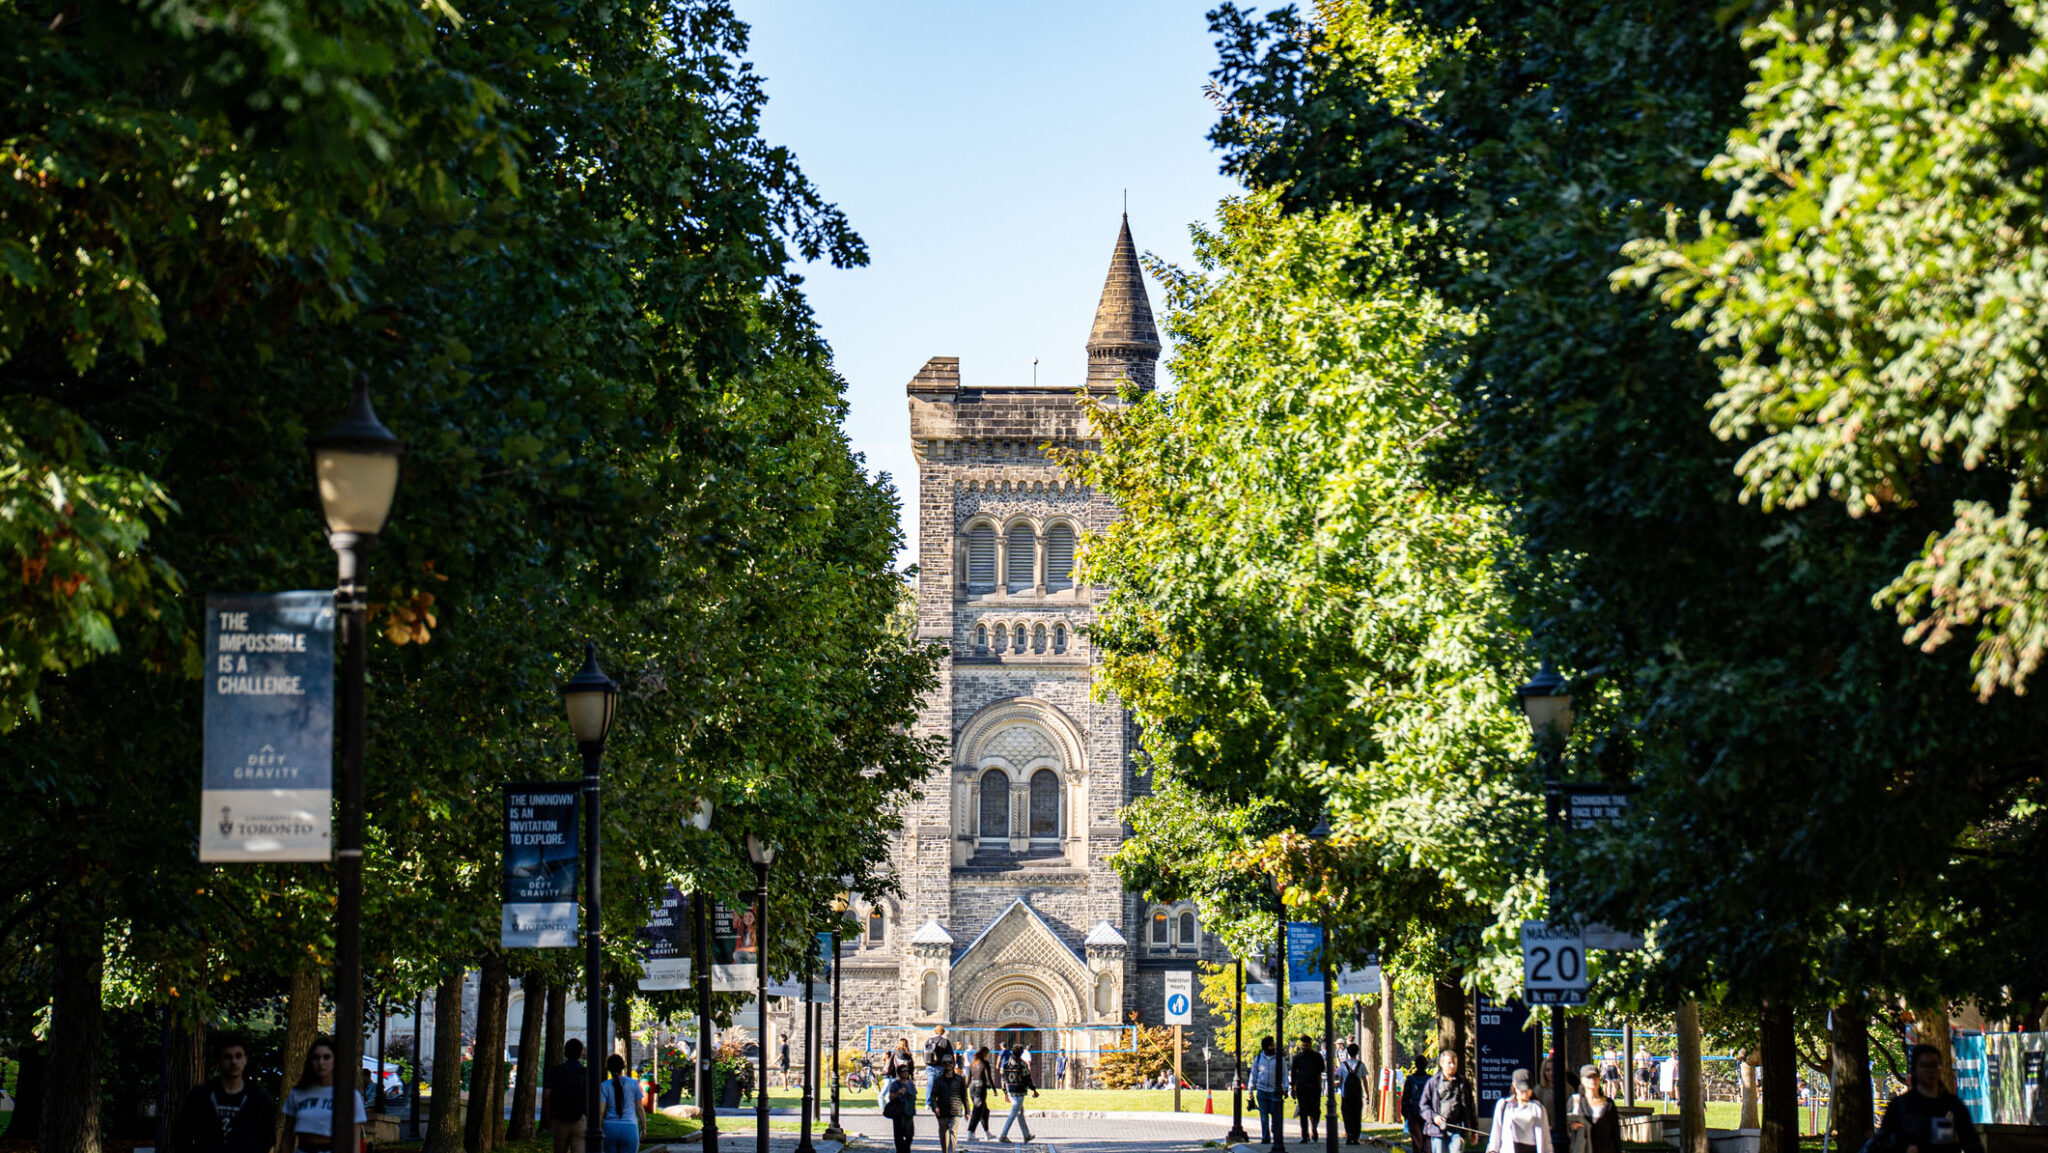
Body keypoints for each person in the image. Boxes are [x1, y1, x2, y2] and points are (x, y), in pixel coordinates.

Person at [175, 1033, 277, 1153]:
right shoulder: (200, 1096)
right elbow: (182, 1134)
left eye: (238, 1056)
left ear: (245, 1059)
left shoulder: (259, 1098)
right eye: (228, 1057)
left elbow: (267, 1139)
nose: (234, 1061)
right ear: (218, 1061)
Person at [1878, 1044, 1983, 1153]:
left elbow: (1972, 1144)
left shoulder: (1953, 1106)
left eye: (1934, 1065)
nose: (1930, 1071)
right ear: (1915, 1070)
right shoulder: (1900, 1106)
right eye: (1924, 1066)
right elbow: (1881, 1143)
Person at [279, 1038, 368, 1153]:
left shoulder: (350, 1096)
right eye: (316, 1058)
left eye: (326, 1057)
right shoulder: (298, 1093)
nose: (321, 1062)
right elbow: (288, 1135)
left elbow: (354, 1139)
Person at [1421, 1048, 1476, 1153]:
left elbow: (1471, 1107)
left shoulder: (1463, 1083)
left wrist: (1474, 1130)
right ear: (1442, 1063)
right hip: (1438, 1130)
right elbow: (1423, 1106)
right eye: (1449, 1063)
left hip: (1457, 1130)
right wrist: (1434, 1117)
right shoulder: (1433, 1083)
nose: (1452, 1066)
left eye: (1454, 1063)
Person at [1486, 1069, 1553, 1153]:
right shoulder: (1503, 1105)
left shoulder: (1538, 1108)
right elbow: (1496, 1132)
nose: (1525, 1093)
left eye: (1528, 1090)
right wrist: (1493, 1150)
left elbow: (1546, 1138)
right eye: (1522, 1090)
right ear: (1514, 1086)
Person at [543, 1038, 589, 1153]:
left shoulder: (556, 1071)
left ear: (565, 1052)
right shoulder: (586, 1073)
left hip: (560, 1119)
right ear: (581, 1053)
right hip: (580, 1118)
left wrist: (549, 1119)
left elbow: (547, 1095)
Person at [1569, 1063, 1622, 1153]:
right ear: (1582, 1080)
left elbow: (1615, 1133)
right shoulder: (1575, 1101)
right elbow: (1566, 1126)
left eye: (1595, 1076)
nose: (1593, 1080)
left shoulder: (1609, 1104)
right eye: (1589, 1077)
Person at [598, 1053, 643, 1153]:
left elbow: (601, 1111)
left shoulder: (604, 1086)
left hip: (610, 1127)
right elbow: (639, 1108)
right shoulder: (634, 1083)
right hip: (630, 1127)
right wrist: (644, 1128)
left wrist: (599, 1128)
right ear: (623, 1066)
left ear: (608, 1068)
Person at [998, 1043, 1038, 1144]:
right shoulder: (1022, 1064)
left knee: (1020, 1114)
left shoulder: (1006, 1063)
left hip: (1010, 1091)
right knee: (1013, 1114)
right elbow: (1027, 1078)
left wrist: (1005, 1092)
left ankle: (1026, 1135)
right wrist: (1033, 1089)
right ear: (1020, 1053)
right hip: (1019, 1092)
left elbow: (1003, 1078)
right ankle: (1003, 1135)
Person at [929, 1056, 970, 1153]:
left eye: (950, 1062)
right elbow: (933, 1096)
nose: (948, 1064)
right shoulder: (938, 1080)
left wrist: (967, 1111)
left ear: (953, 1064)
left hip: (955, 1109)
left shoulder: (960, 1079)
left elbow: (964, 1096)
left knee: (953, 1132)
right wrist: (935, 1107)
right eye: (945, 1063)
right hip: (942, 1110)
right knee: (943, 1133)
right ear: (942, 1064)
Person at [1292, 1036, 1326, 1143]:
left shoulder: (1317, 1056)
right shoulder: (1298, 1057)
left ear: (1310, 1044)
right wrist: (1293, 1088)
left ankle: (1314, 1128)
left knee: (1315, 1111)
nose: (1304, 1047)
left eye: (1306, 1045)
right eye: (1303, 1045)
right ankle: (1304, 1134)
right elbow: (1294, 1074)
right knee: (1303, 1112)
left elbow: (1321, 1070)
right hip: (1302, 1087)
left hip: (1314, 1087)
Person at [1251, 1037, 1284, 1146]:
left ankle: (1276, 1135)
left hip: (1274, 1090)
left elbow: (1284, 1073)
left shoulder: (1279, 1059)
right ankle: (1265, 1137)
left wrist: (1286, 1088)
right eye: (1271, 1045)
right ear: (1265, 1047)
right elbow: (1254, 1073)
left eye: (1273, 1045)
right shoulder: (1259, 1058)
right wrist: (1251, 1088)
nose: (1273, 1047)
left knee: (1275, 1115)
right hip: (1262, 1090)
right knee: (1264, 1116)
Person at [1337, 1043, 1367, 1147]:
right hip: (1357, 1094)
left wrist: (1341, 1090)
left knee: (1347, 1115)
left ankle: (1349, 1135)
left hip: (1346, 1094)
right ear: (1357, 1052)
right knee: (1357, 1114)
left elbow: (1340, 1079)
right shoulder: (1361, 1065)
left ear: (1348, 1053)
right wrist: (1366, 1093)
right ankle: (1356, 1136)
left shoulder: (1343, 1065)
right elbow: (1364, 1080)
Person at [881, 1066, 917, 1153]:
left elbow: (914, 1096)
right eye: (903, 1071)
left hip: (909, 1112)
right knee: (898, 1135)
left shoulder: (911, 1084)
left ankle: (906, 1149)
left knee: (910, 1134)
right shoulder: (895, 1084)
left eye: (907, 1071)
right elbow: (891, 1097)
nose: (905, 1073)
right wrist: (898, 1092)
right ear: (899, 1073)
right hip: (899, 1112)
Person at [1404, 1054, 1433, 1151]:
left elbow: (1405, 1097)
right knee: (1427, 1140)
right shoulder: (1430, 1079)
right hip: (1428, 1114)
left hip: (1413, 1113)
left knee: (1417, 1141)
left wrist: (1406, 1114)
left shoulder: (1410, 1080)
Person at [966, 1046, 995, 1140]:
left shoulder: (972, 1064)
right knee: (977, 1111)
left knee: (985, 1111)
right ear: (985, 1054)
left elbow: (968, 1078)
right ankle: (971, 1132)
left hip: (972, 1088)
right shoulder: (985, 1063)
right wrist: (994, 1090)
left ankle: (987, 1132)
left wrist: (964, 1088)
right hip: (980, 1089)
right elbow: (989, 1077)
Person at [924, 1024, 958, 1104]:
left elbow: (924, 1053)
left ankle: (928, 1103)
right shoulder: (945, 1042)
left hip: (930, 1065)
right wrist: (952, 1067)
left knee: (930, 1084)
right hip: (941, 1067)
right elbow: (950, 1056)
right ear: (943, 1032)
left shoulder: (929, 1041)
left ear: (935, 1031)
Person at [885, 1038, 917, 1107]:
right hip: (906, 1077)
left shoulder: (895, 1054)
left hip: (896, 1076)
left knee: (895, 1093)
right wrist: (912, 1076)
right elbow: (911, 1067)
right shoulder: (908, 1056)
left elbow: (890, 1064)